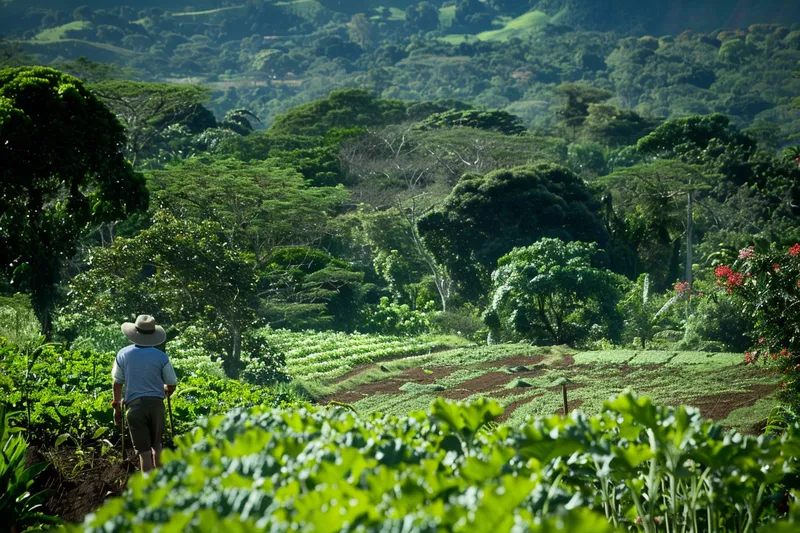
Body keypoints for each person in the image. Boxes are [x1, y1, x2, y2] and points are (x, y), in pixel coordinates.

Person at [111, 315, 177, 472]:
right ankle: (161, 486)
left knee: (145, 453)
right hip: (156, 406)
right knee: (158, 446)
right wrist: (166, 390)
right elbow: (172, 384)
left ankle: (148, 490)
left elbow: (117, 382)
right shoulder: (161, 357)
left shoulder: (123, 354)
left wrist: (116, 407)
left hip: (135, 408)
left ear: (134, 333)